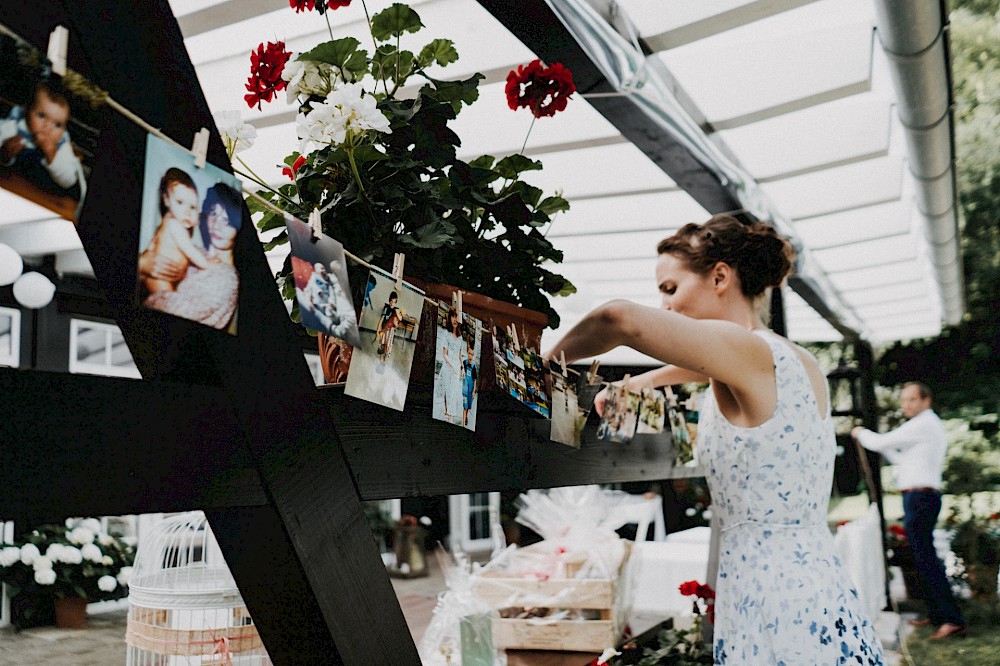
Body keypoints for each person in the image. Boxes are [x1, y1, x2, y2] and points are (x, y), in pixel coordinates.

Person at [545, 214, 885, 664]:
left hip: (771, 603)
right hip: (820, 586)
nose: (664, 307)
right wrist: (643, 384)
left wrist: (543, 359)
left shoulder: (745, 353)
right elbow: (704, 363)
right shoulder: (792, 358)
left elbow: (617, 317)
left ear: (720, 276)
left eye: (670, 289)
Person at [852, 382, 966, 639]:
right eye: (903, 400)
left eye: (912, 399)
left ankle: (951, 619)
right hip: (919, 497)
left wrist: (860, 433)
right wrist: (875, 441)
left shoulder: (923, 423)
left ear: (926, 400)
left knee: (926, 559)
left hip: (920, 498)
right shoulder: (925, 426)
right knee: (923, 557)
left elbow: (881, 441)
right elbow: (899, 457)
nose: (906, 405)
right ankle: (938, 614)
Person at [140, 182, 242, 330]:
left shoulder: (226, 278)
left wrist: (149, 279)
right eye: (214, 214)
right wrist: (142, 264)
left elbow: (171, 313)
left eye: (227, 221)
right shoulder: (195, 251)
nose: (216, 225)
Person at [0, 81, 85, 200]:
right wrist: (4, 152)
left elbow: (68, 181)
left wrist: (52, 153)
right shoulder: (15, 127)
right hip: (9, 187)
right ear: (27, 111)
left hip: (44, 196)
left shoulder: (61, 145)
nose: (48, 127)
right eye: (42, 116)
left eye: (57, 124)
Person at [140, 168, 212, 295]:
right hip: (160, 278)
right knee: (169, 302)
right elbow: (190, 252)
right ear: (166, 200)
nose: (187, 211)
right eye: (180, 202)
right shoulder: (174, 225)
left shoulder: (168, 222)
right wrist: (207, 265)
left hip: (168, 277)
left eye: (192, 207)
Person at [435, 307, 464, 422]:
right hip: (448, 366)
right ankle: (447, 412)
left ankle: (450, 416)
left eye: (457, 316)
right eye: (453, 316)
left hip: (456, 367)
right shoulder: (446, 334)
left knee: (453, 392)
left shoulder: (460, 337)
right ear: (450, 318)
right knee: (446, 391)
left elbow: (460, 354)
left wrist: (461, 367)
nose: (455, 319)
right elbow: (444, 354)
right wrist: (452, 365)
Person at [374, 291, 399, 363]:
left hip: (391, 332)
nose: (392, 303)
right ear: (389, 301)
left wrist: (396, 325)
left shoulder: (396, 310)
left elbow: (396, 325)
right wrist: (377, 333)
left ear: (396, 302)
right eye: (391, 301)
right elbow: (381, 321)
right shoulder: (386, 308)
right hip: (384, 331)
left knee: (388, 349)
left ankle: (384, 363)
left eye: (394, 302)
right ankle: (381, 361)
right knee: (382, 346)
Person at [461, 337, 478, 426]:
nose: (470, 356)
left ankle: (466, 417)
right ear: (467, 353)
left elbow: (475, 379)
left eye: (472, 354)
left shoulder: (474, 366)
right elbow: (461, 371)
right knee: (464, 406)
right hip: (464, 389)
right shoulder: (464, 362)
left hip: (470, 390)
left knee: (468, 407)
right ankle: (463, 424)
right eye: (469, 354)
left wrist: (474, 391)